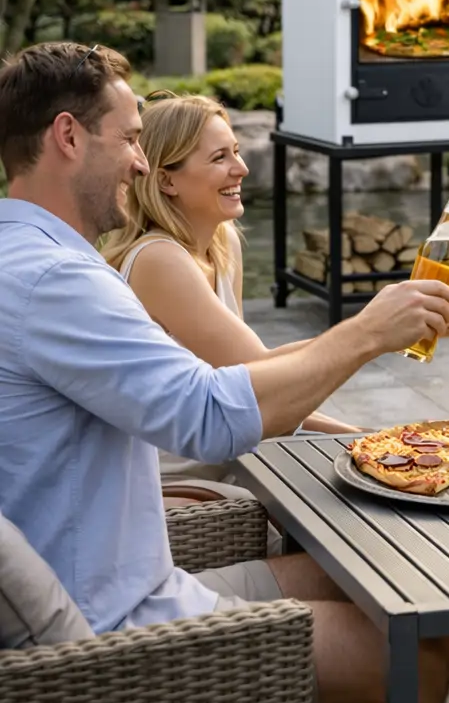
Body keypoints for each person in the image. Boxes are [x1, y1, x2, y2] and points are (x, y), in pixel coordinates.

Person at [0, 43, 449, 703]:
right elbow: (212, 413)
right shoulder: (55, 281)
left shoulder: (31, 258)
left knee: (389, 584)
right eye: (128, 137)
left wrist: (378, 321)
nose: (138, 159)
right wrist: (366, 334)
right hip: (113, 628)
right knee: (417, 650)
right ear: (68, 136)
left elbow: (216, 376)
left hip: (130, 575)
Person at [102, 93, 360, 503]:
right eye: (219, 157)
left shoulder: (222, 245)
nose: (240, 168)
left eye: (236, 152)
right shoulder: (157, 259)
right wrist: (377, 331)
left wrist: (367, 439)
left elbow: (255, 389)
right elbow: (259, 378)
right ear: (167, 180)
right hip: (172, 489)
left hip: (230, 458)